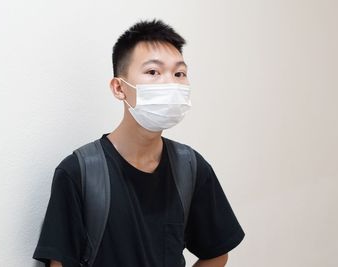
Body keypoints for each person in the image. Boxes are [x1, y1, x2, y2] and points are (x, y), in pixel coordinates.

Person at [32, 19, 245, 267]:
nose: (170, 83)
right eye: (153, 72)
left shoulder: (191, 167)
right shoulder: (79, 172)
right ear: (119, 88)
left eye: (179, 73)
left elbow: (216, 252)